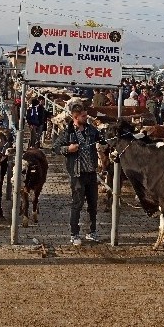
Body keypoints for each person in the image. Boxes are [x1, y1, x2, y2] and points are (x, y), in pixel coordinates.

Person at [52, 103, 101, 246]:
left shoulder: (91, 130)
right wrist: (68, 148)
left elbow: (102, 139)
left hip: (91, 173)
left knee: (93, 204)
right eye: (84, 116)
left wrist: (103, 145)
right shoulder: (68, 132)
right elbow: (55, 148)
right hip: (77, 174)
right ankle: (74, 234)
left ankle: (92, 231)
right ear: (75, 117)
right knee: (77, 204)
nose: (86, 118)